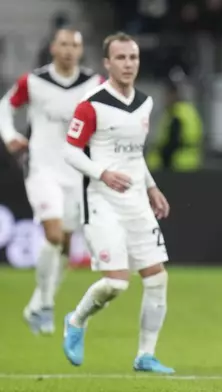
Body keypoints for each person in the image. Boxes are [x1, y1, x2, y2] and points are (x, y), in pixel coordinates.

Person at [61, 32, 173, 374]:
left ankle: (145, 356)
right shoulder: (91, 104)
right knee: (116, 282)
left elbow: (135, 154)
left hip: (136, 201)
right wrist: (102, 173)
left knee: (157, 278)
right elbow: (70, 150)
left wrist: (152, 187)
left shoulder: (145, 103)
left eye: (133, 58)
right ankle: (76, 320)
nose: (128, 64)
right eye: (121, 58)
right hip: (101, 201)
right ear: (107, 63)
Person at [0, 28, 104, 335]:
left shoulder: (93, 84)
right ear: (53, 48)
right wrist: (10, 136)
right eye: (64, 44)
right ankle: (45, 305)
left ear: (81, 50)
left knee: (66, 246)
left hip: (75, 171)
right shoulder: (33, 82)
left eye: (75, 45)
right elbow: (4, 107)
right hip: (42, 168)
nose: (69, 50)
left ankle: (36, 305)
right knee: (55, 234)